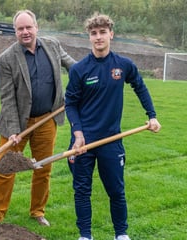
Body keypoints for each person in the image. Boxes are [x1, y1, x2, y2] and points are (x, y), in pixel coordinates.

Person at [64, 13, 162, 240]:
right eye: (94, 33)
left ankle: (121, 234)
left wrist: (152, 115)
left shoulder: (123, 65)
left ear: (111, 34)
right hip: (83, 142)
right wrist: (78, 134)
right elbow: (70, 104)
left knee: (116, 191)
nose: (98, 37)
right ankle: (85, 236)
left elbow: (140, 87)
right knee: (82, 191)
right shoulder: (79, 69)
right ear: (89, 37)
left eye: (102, 32)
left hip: (111, 140)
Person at [0, 9, 76, 229]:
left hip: (47, 120)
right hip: (16, 124)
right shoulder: (7, 59)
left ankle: (37, 211)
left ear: (36, 27)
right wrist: (14, 130)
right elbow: (7, 97)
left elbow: (75, 67)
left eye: (28, 27)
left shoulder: (52, 45)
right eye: (20, 28)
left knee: (43, 169)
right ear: (14, 31)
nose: (25, 32)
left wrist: (87, 80)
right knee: (6, 169)